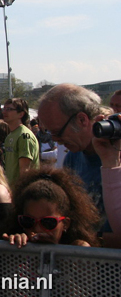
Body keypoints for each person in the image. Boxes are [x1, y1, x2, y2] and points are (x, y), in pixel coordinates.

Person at [37, 84, 107, 225]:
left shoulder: (115, 157)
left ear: (82, 120)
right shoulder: (72, 158)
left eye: (57, 132)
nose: (55, 139)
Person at [2, 167, 99, 248]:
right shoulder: (18, 246)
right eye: (28, 221)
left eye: (48, 223)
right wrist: (14, 249)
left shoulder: (77, 249)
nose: (38, 229)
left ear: (65, 224)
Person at [1, 98, 39, 186]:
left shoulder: (24, 135)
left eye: (9, 109)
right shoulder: (10, 136)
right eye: (4, 109)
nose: (4, 112)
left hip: (22, 192)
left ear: (21, 114)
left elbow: (25, 171)